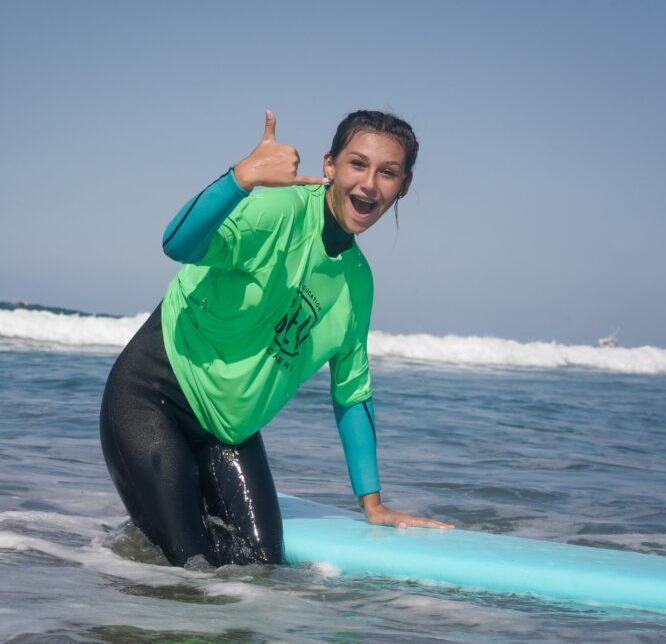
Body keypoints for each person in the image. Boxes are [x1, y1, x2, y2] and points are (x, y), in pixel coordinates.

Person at [100, 110, 452, 567]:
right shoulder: (278, 211)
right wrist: (240, 178)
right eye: (357, 164)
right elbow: (178, 244)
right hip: (153, 397)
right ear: (330, 166)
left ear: (402, 186)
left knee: (261, 568)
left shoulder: (357, 283)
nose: (369, 184)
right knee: (191, 570)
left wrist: (374, 504)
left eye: (387, 173)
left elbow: (352, 393)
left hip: (227, 430)